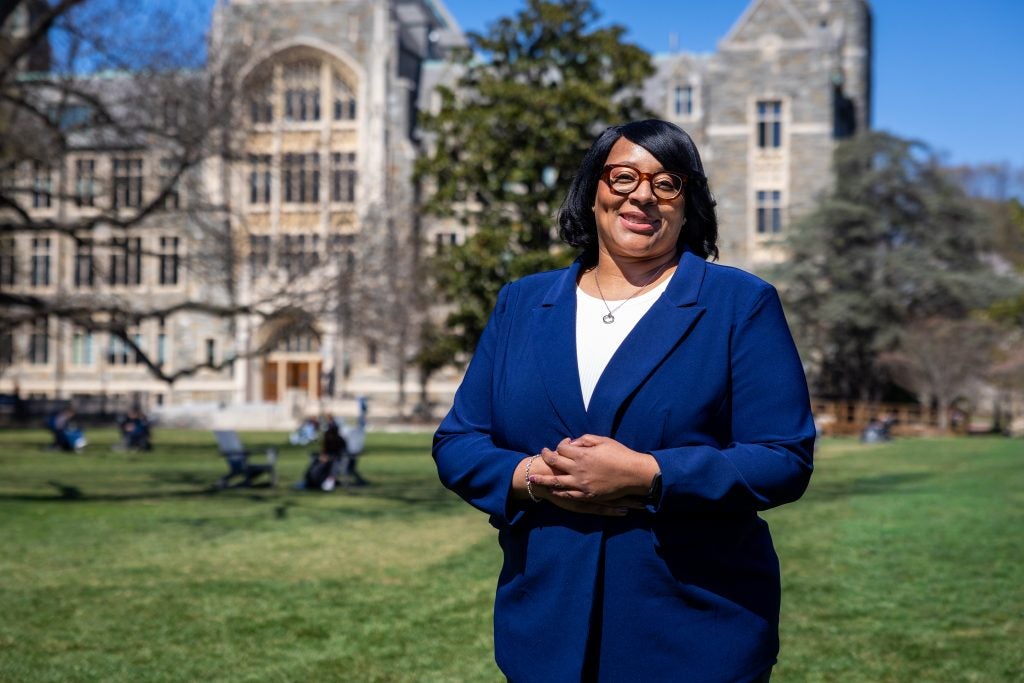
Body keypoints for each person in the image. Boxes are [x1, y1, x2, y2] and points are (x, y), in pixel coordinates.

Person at [433, 120, 815, 682]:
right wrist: (531, 476)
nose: (642, 195)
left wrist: (650, 474)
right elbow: (458, 442)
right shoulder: (522, 303)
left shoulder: (740, 304)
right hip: (546, 626)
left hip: (693, 630)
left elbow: (784, 457)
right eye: (623, 176)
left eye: (667, 183)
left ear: (690, 206)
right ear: (592, 193)